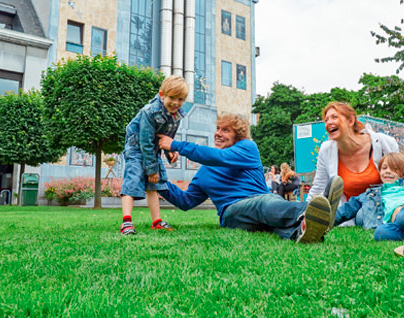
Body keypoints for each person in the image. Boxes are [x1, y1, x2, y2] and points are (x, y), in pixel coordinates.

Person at [157, 114, 346, 243]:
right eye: (217, 129)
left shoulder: (247, 148)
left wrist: (176, 145)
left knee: (270, 220)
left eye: (225, 130)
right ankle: (315, 212)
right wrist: (158, 180)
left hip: (265, 204)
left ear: (237, 135)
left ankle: (303, 231)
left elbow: (219, 158)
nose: (218, 133)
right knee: (265, 204)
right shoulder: (204, 172)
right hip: (233, 213)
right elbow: (185, 201)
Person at [307, 102, 404, 220]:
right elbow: (318, 187)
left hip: (386, 204)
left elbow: (401, 169)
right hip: (354, 212)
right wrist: (305, 211)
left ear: (350, 121)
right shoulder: (326, 149)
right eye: (326, 120)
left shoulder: (383, 142)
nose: (329, 123)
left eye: (334, 117)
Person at [120, 75, 187, 235]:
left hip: (152, 147)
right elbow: (145, 141)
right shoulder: (149, 112)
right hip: (137, 146)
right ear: (162, 94)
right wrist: (152, 169)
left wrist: (169, 151)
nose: (176, 103)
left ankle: (156, 221)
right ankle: (126, 222)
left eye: (180, 99)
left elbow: (165, 137)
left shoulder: (176, 115)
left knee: (154, 184)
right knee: (133, 178)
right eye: (171, 97)